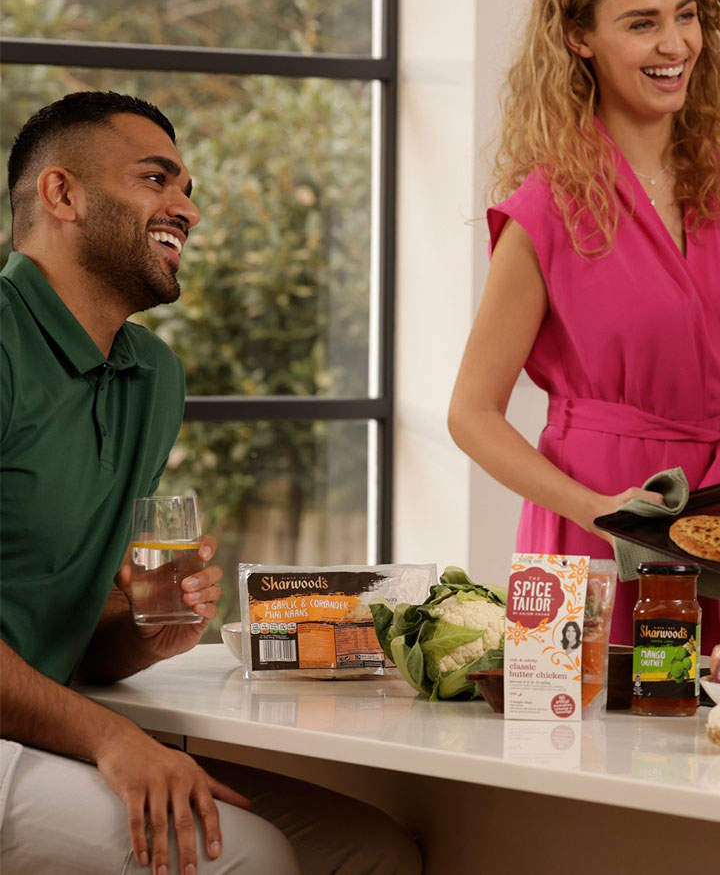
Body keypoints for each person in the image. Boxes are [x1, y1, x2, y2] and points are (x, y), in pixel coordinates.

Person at [0, 92, 421, 872]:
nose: (186, 208)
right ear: (63, 194)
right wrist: (113, 739)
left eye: (188, 188)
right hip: (29, 740)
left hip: (39, 724)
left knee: (373, 850)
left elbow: (84, 642)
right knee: (247, 860)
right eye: (157, 179)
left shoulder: (151, 376)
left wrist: (146, 632)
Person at [448, 0, 720, 649]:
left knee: (704, 745)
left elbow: (695, 355)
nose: (674, 45)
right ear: (580, 38)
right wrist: (597, 510)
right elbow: (471, 414)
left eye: (685, 17)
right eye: (642, 24)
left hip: (710, 522)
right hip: (592, 531)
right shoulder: (548, 209)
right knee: (574, 747)